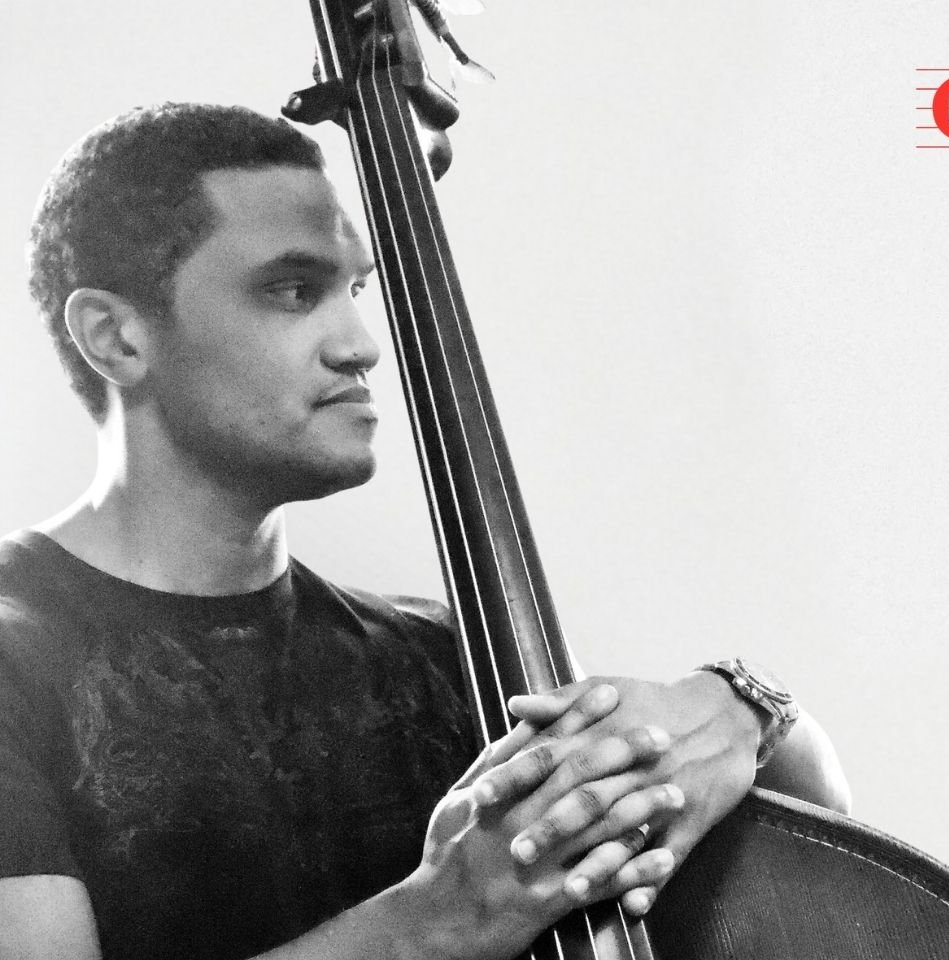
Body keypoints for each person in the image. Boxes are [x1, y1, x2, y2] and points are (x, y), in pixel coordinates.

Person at [0, 102, 850, 960]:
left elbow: (822, 831)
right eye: (293, 292)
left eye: (356, 290)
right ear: (116, 337)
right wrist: (441, 916)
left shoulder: (446, 658)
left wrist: (744, 711)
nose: (361, 345)